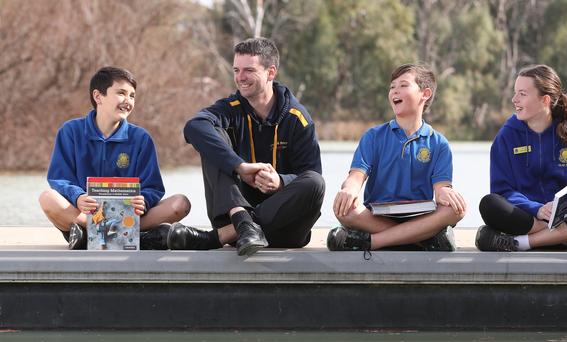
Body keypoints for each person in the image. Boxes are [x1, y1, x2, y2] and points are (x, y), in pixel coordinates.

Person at [169, 37, 324, 256]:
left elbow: (312, 177)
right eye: (236, 70)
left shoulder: (297, 117)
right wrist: (239, 166)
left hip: (285, 228)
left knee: (315, 183)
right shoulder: (230, 108)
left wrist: (280, 182)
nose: (240, 78)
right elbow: (193, 127)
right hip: (234, 216)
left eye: (249, 70)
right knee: (212, 138)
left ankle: (221, 236)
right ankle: (242, 222)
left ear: (271, 72)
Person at [39, 66, 191, 250]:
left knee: (180, 204)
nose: (128, 101)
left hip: (129, 217)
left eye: (132, 96)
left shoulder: (141, 138)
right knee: (47, 198)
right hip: (81, 219)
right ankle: (133, 237)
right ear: (98, 96)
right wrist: (78, 197)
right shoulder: (70, 131)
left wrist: (144, 200)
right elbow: (59, 179)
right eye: (121, 93)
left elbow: (153, 187)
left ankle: (98, 236)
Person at [476, 64, 567, 252]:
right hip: (527, 218)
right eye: (515, 93)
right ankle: (566, 238)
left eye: (522, 94)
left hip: (565, 216)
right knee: (490, 205)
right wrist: (537, 209)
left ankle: (522, 243)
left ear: (544, 100)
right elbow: (501, 191)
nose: (514, 99)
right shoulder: (506, 136)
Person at [327, 64, 466, 255]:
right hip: (376, 216)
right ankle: (422, 240)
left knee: (456, 210)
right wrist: (349, 189)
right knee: (344, 210)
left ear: (425, 94)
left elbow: (442, 188)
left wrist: (445, 193)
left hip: (419, 217)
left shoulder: (439, 143)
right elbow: (356, 176)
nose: (395, 91)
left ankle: (373, 241)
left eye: (403, 85)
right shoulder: (373, 136)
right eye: (392, 87)